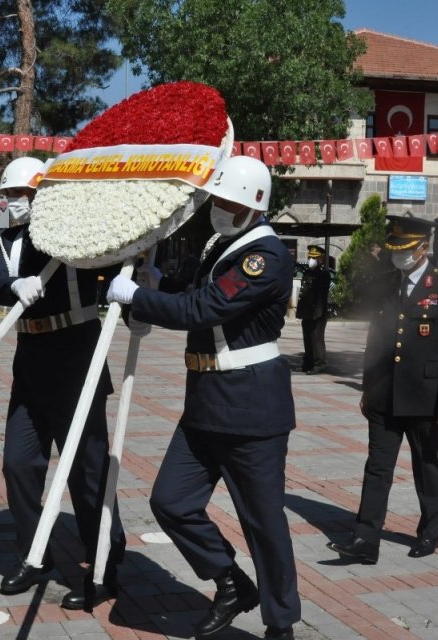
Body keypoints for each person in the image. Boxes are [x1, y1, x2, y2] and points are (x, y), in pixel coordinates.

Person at [106, 156, 300, 640]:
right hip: (206, 401)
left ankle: (281, 624)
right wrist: (153, 284)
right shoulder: (221, 243)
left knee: (262, 523)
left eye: (228, 201)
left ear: (253, 205)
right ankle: (230, 582)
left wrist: (136, 297)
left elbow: (206, 307)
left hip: (251, 406)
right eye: (216, 198)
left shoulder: (266, 256)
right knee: (170, 501)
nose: (218, 207)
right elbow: (190, 290)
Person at [0, 156, 127, 611]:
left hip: (76, 355)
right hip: (31, 362)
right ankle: (35, 552)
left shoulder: (72, 237)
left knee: (88, 471)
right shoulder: (4, 243)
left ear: (42, 194)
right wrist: (11, 288)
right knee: (19, 464)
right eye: (8, 196)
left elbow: (111, 257)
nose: (13, 204)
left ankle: (104, 563)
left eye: (20, 195)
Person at [327, 215, 438, 565]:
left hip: (425, 397)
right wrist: (367, 387)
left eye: (405, 250)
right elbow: (376, 341)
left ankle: (429, 532)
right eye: (395, 249)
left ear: (423, 249)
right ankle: (365, 538)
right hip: (385, 395)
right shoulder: (388, 284)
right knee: (377, 467)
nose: (398, 256)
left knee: (426, 465)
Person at [296, 245, 331, 374]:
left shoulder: (323, 274)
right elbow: (304, 293)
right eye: (310, 257)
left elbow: (321, 295)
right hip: (307, 312)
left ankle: (319, 363)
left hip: (317, 313)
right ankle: (308, 363)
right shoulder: (308, 272)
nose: (311, 259)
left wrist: (318, 311)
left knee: (316, 338)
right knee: (307, 337)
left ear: (321, 259)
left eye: (314, 257)